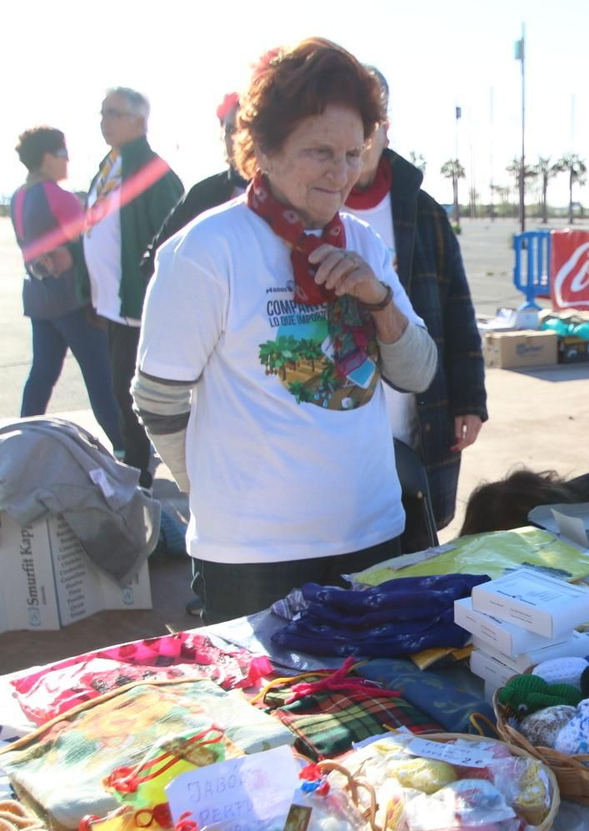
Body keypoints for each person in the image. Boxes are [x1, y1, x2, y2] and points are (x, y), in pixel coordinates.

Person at [133, 38, 438, 624]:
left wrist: (378, 301)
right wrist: (214, 490)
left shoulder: (363, 244)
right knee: (269, 716)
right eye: (320, 151)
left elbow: (417, 372)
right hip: (254, 557)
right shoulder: (206, 250)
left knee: (374, 710)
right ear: (265, 150)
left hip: (372, 535)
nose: (341, 173)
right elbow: (158, 399)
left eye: (353, 153)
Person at [344, 66, 486, 531]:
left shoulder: (422, 212)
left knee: (417, 539)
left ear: (386, 127)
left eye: (372, 121)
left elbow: (457, 309)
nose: (361, 138)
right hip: (334, 427)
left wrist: (469, 398)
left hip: (416, 413)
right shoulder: (308, 207)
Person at [84, 86, 184, 486]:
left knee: (140, 396)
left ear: (139, 122)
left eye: (113, 113)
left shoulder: (153, 174)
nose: (103, 121)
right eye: (102, 113)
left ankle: (141, 475)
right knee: (119, 390)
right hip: (112, 306)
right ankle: (135, 467)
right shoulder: (110, 168)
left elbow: (174, 241)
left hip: (139, 308)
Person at [8, 126, 125, 452]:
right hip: (73, 301)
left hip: (39, 299)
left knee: (42, 375)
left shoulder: (18, 198)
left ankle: (20, 444)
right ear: (47, 157)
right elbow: (91, 244)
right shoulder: (59, 197)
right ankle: (124, 447)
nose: (67, 160)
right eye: (62, 153)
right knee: (101, 378)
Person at [140, 92, 248, 283]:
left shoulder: (292, 192)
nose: (237, 139)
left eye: (246, 130)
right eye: (231, 130)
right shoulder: (203, 194)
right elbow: (154, 259)